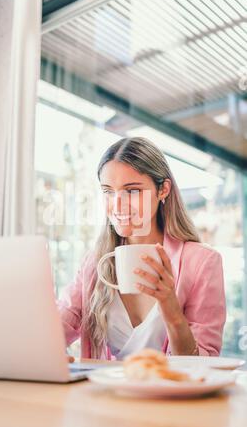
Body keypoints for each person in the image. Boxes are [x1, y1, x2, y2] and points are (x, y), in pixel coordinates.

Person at [57, 137, 226, 360]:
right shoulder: (95, 263)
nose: (117, 205)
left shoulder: (202, 263)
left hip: (171, 394)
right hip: (108, 393)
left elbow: (205, 362)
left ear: (163, 189)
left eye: (133, 191)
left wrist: (171, 309)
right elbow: (58, 325)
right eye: (108, 191)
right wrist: (49, 351)